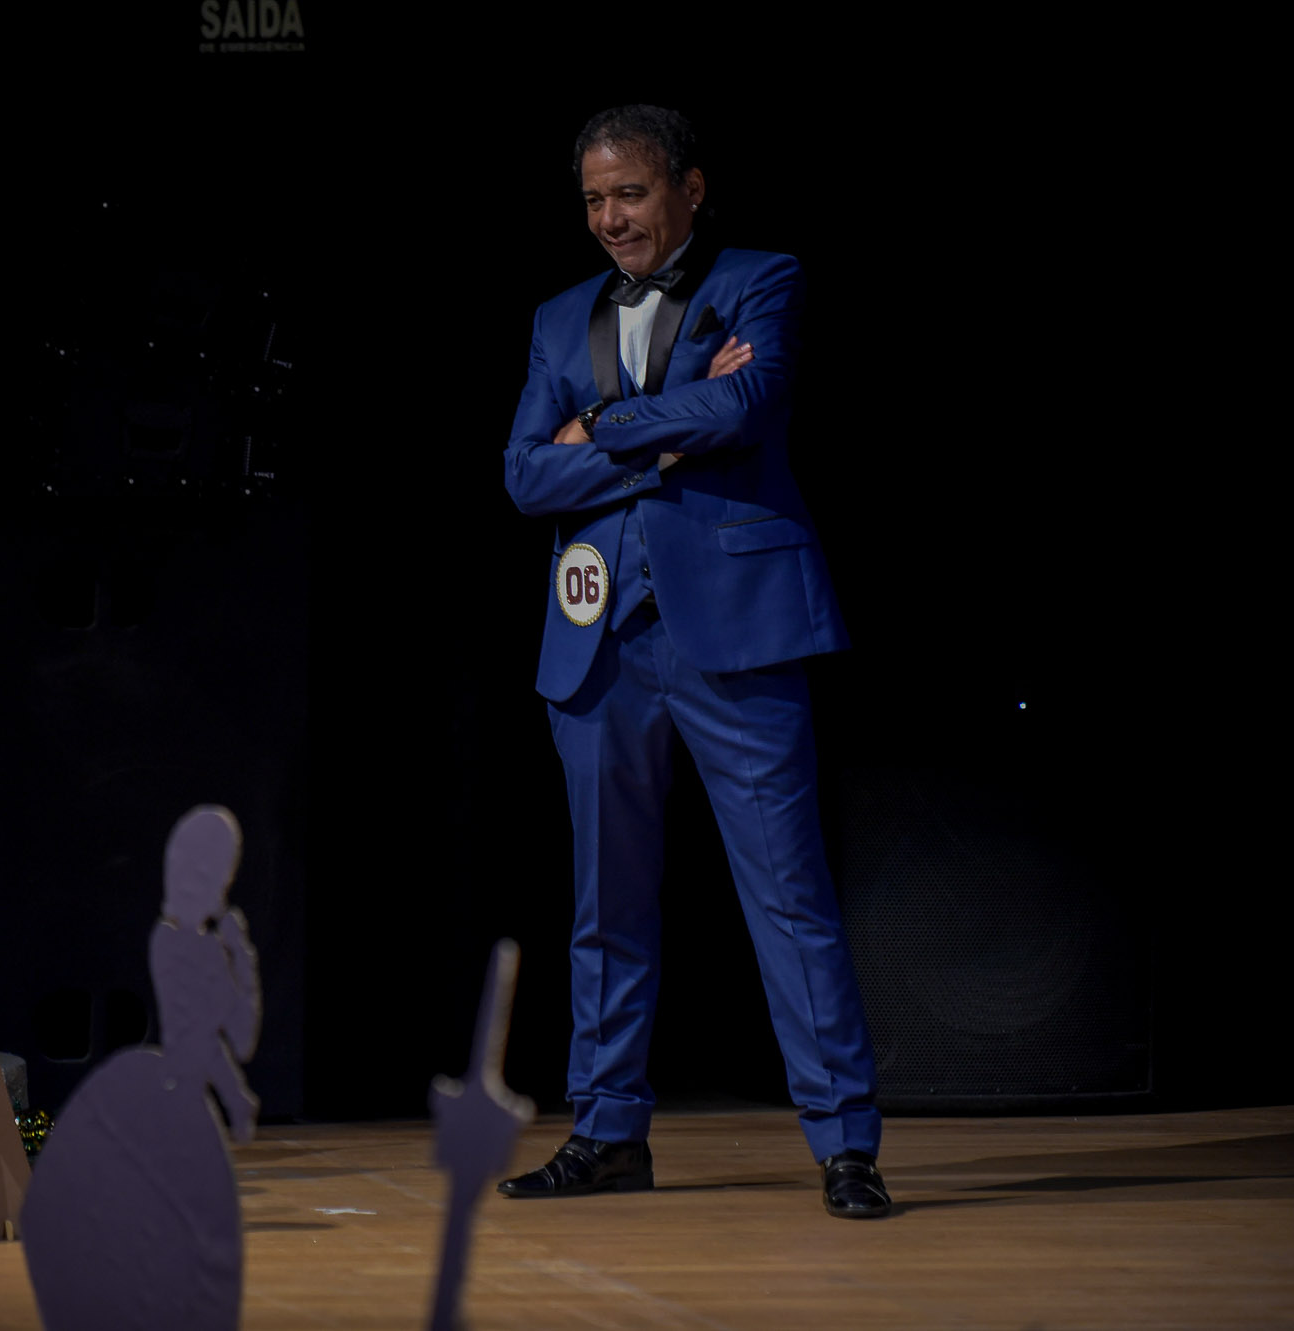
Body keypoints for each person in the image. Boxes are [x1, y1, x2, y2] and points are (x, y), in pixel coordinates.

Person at [495, 105, 889, 1218]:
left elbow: (748, 402)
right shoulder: (557, 315)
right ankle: (607, 1128)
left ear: (689, 188)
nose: (609, 218)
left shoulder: (761, 278)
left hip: (734, 627)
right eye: (592, 199)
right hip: (598, 643)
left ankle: (845, 1141)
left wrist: (599, 428)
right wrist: (666, 435)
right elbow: (524, 476)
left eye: (629, 193)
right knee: (604, 904)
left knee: (787, 895)